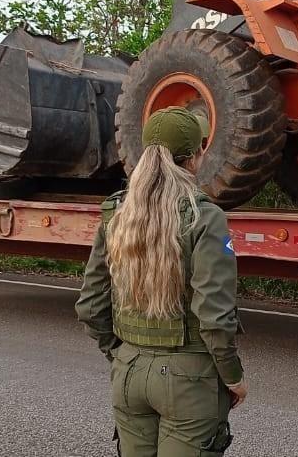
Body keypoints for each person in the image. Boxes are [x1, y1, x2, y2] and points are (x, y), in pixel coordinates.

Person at [76, 107, 245, 457]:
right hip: (188, 379)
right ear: (194, 158)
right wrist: (232, 376)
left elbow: (91, 304)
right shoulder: (204, 217)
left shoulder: (117, 213)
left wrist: (121, 352)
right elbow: (214, 315)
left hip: (129, 371)